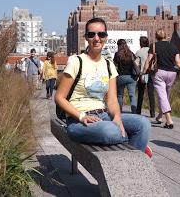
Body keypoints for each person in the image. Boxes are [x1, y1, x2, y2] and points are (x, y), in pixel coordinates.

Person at [54, 17, 152, 157]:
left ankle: (131, 160)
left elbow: (112, 100)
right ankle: (137, 147)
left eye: (101, 34)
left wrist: (117, 116)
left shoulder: (108, 64)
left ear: (106, 37)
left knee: (143, 124)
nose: (96, 38)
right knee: (110, 131)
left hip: (103, 116)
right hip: (78, 121)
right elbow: (59, 97)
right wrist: (81, 116)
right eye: (91, 34)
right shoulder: (76, 61)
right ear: (86, 38)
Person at [143, 29, 180, 129]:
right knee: (165, 96)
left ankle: (169, 120)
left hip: (159, 73)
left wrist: (143, 73)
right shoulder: (173, 46)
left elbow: (148, 60)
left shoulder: (154, 46)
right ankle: (160, 116)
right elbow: (179, 62)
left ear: (156, 37)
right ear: (166, 36)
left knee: (162, 96)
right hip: (172, 73)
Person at [113, 39, 138, 113]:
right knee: (132, 95)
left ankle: (119, 110)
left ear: (118, 45)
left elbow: (115, 64)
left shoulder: (117, 54)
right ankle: (134, 111)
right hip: (131, 77)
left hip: (121, 77)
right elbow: (136, 63)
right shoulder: (131, 53)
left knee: (120, 95)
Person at [135, 36, 156, 117]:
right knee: (151, 93)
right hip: (151, 73)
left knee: (141, 93)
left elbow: (136, 64)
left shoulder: (139, 52)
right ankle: (152, 112)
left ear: (140, 43)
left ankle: (138, 111)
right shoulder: (151, 51)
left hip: (143, 73)